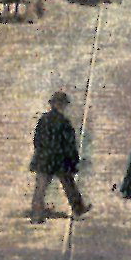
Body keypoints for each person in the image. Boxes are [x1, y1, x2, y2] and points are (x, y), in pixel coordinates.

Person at [30, 91, 89, 224]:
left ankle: (36, 214)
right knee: (69, 185)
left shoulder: (43, 120)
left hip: (44, 159)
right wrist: (74, 161)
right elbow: (70, 144)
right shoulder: (64, 122)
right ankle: (78, 209)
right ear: (61, 105)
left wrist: (41, 152)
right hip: (59, 160)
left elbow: (37, 140)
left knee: (41, 188)